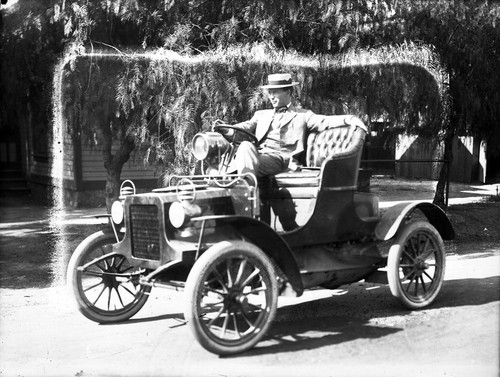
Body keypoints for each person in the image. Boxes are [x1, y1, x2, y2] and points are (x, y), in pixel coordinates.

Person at [216, 72, 364, 184]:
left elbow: (325, 121)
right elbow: (245, 127)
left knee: (236, 163)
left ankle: (245, 192)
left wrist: (349, 118)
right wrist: (226, 129)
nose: (271, 97)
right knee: (243, 147)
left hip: (282, 160)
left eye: (276, 92)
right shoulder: (261, 115)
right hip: (259, 157)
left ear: (288, 92)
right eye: (270, 93)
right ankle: (243, 188)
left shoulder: (303, 115)